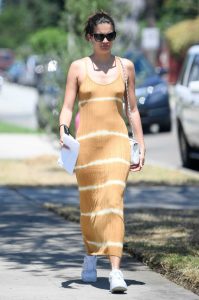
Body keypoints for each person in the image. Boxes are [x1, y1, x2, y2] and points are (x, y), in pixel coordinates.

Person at [59, 10, 145, 293]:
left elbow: (132, 110)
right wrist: (62, 129)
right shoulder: (78, 68)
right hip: (87, 147)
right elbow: (68, 107)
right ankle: (89, 256)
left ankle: (116, 272)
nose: (106, 40)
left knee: (112, 201)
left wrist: (140, 146)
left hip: (117, 143)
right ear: (90, 37)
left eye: (110, 36)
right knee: (91, 206)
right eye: (100, 36)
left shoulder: (126, 68)